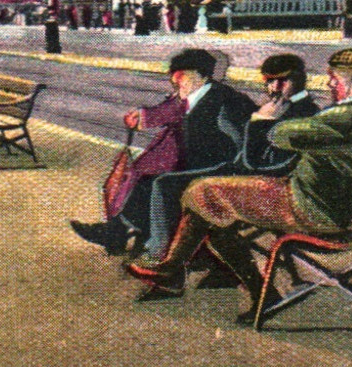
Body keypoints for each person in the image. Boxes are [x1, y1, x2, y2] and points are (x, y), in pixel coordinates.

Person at [127, 48, 352, 317]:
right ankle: (197, 275)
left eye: (335, 78)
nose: (329, 84)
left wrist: (263, 121)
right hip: (312, 198)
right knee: (209, 202)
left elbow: (286, 136)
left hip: (312, 207)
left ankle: (176, 269)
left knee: (203, 194)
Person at [70, 48, 254, 257]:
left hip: (210, 169)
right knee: (145, 183)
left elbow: (241, 143)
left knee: (153, 184)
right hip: (193, 163)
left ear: (200, 75)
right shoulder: (196, 95)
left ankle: (126, 236)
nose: (175, 82)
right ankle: (121, 233)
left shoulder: (220, 99)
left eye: (181, 76)